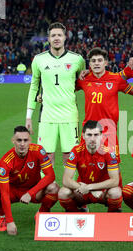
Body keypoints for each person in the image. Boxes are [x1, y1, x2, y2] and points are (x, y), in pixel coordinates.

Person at [25, 22, 85, 165]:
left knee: (69, 158)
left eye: (59, 35)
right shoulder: (39, 59)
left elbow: (82, 82)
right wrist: (28, 117)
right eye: (53, 35)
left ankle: (69, 187)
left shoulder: (77, 59)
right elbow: (34, 87)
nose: (56, 38)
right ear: (48, 39)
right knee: (46, 158)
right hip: (47, 116)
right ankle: (47, 187)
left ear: (65, 37)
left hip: (70, 116)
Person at [0, 126, 59, 236]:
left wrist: (30, 193)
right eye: (19, 140)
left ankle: (42, 213)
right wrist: (10, 221)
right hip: (13, 191)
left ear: (30, 140)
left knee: (54, 187)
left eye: (25, 140)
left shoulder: (38, 150)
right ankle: (3, 216)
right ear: (13, 141)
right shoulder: (5, 162)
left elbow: (50, 175)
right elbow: (4, 193)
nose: (22, 144)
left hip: (33, 190)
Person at [76, 47, 133, 159]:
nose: (96, 63)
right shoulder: (83, 79)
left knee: (113, 167)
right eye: (93, 61)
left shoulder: (116, 79)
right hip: (88, 131)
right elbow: (66, 89)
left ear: (106, 62)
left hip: (109, 132)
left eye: (99, 60)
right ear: (90, 64)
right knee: (85, 165)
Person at [58, 120, 122, 212]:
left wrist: (89, 187)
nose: (92, 139)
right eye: (89, 135)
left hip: (102, 192)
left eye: (96, 135)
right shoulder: (76, 151)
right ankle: (76, 214)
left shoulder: (109, 152)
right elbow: (66, 180)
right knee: (63, 192)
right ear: (83, 136)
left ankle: (111, 217)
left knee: (116, 192)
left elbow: (115, 181)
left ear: (101, 136)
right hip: (82, 192)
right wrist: (83, 188)